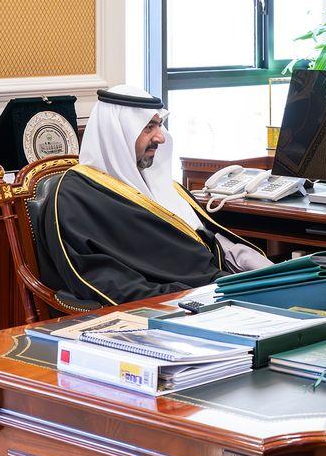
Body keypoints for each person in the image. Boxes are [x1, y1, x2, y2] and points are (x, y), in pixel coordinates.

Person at [45, 86, 270, 305]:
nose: (160, 138)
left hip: (216, 289)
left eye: (160, 126)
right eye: (149, 127)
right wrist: (181, 299)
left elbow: (203, 242)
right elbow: (99, 278)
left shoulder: (160, 185)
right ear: (118, 133)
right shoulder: (74, 195)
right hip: (176, 304)